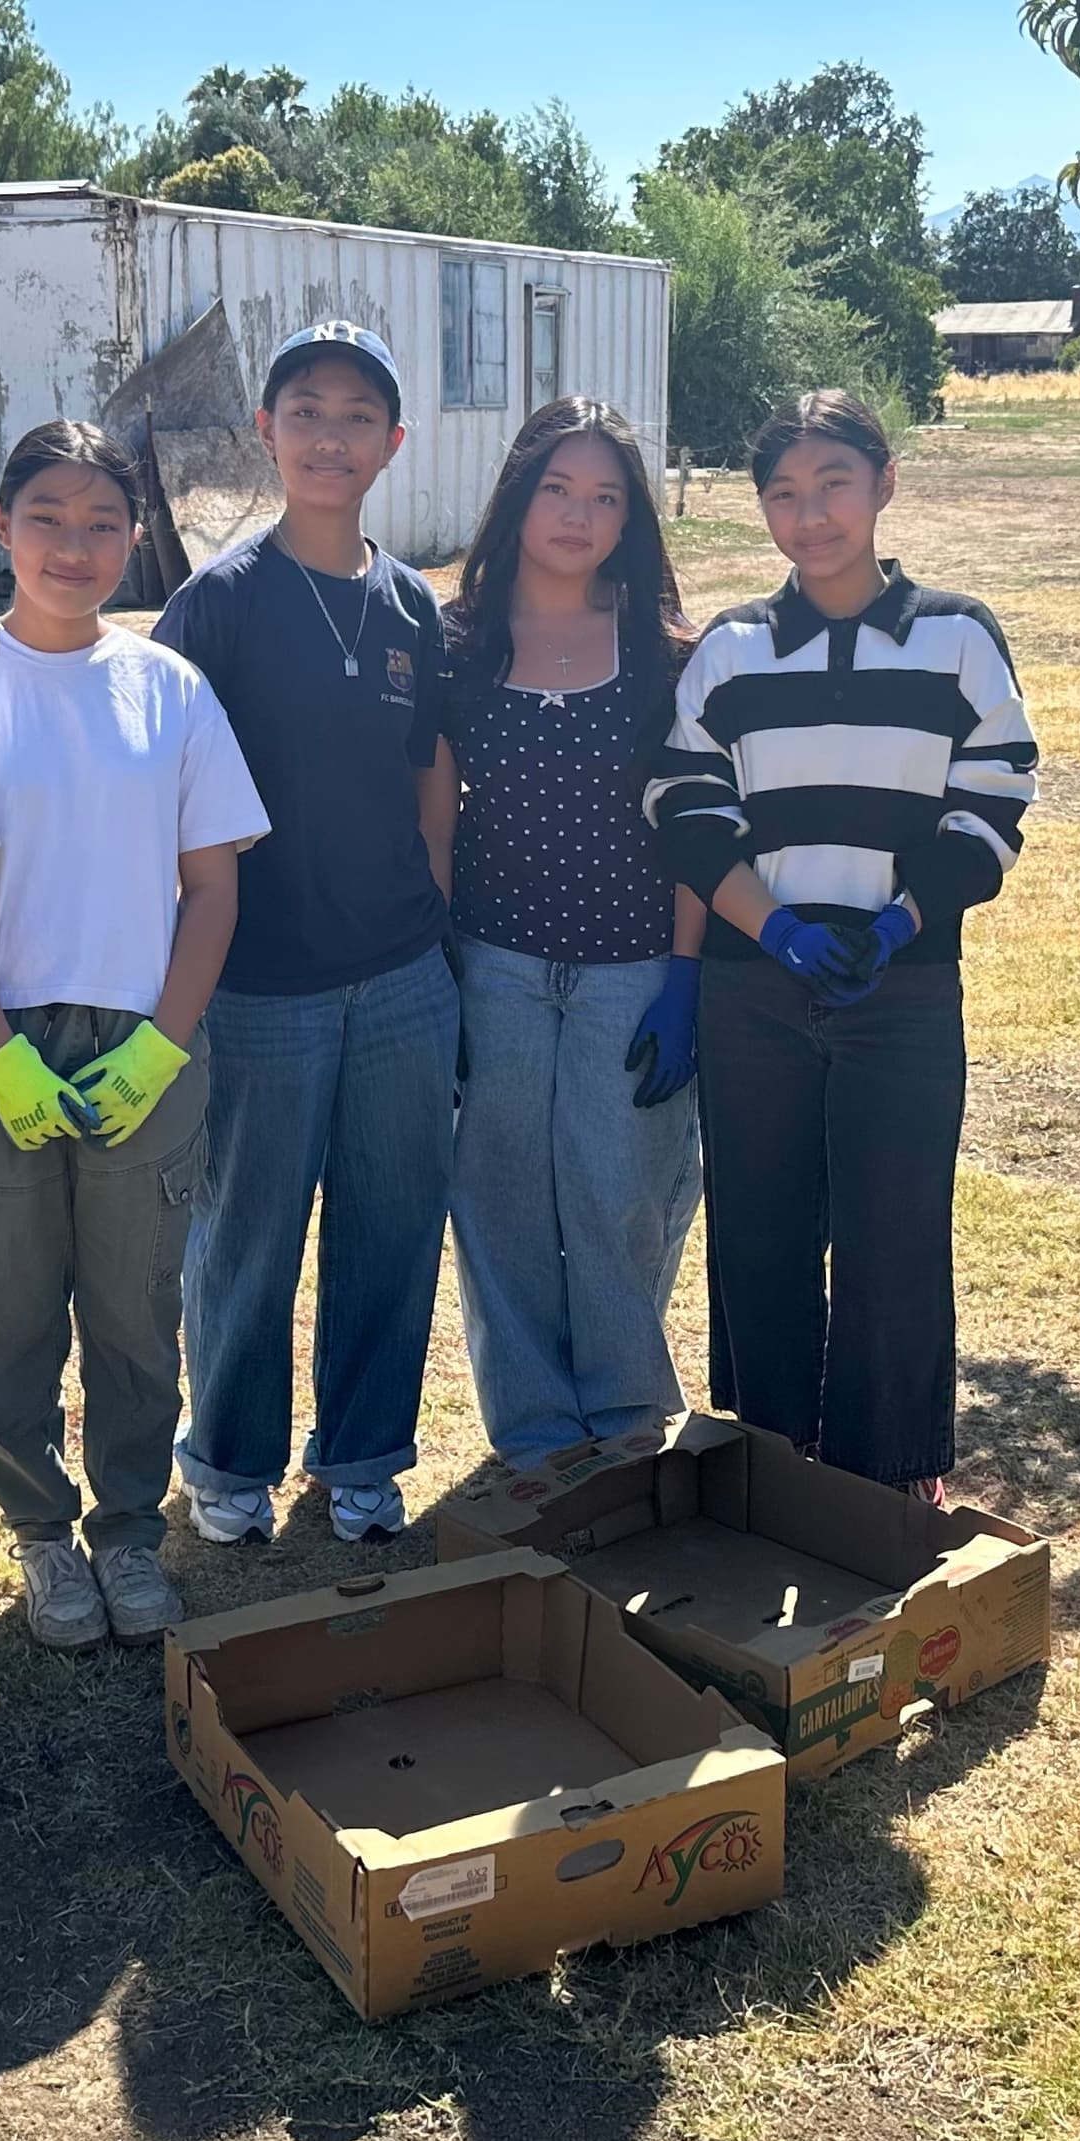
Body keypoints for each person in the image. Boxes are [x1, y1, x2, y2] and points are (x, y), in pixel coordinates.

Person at [646, 389, 1038, 1501]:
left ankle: (888, 1470)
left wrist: (901, 921)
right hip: (752, 989)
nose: (809, 516)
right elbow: (685, 805)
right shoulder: (732, 649)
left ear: (885, 484)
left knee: (894, 1227)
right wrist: (772, 928)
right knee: (759, 1227)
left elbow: (995, 799)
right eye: (782, 494)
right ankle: (773, 1456)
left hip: (901, 984)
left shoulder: (957, 637)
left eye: (834, 486)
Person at [0, 421, 268, 1649]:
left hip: (144, 1032)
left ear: (136, 536)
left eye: (104, 524)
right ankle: (40, 1532)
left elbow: (213, 889)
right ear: (0, 522)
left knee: (133, 1308)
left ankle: (127, 1533)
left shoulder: (169, 688)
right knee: (15, 1306)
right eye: (48, 519)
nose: (75, 547)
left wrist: (164, 1044)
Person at [152, 322, 456, 1546]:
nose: (332, 436)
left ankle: (365, 1457)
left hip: (402, 980)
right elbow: (162, 794)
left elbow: (430, 772)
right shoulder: (216, 604)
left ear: (393, 442)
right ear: (266, 432)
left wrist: (433, 919)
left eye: (358, 416)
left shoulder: (411, 602)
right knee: (246, 1233)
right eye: (307, 411)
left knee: (393, 1225)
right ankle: (228, 1461)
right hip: (259, 986)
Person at [429, 396, 705, 1467]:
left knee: (617, 1197)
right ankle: (535, 1435)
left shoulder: (667, 653)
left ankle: (626, 1421)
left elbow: (694, 827)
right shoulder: (456, 643)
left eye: (605, 497)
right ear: (518, 496)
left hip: (632, 970)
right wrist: (442, 963)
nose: (578, 516)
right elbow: (436, 818)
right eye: (557, 489)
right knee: (495, 1199)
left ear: (631, 517)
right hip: (493, 963)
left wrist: (685, 975)